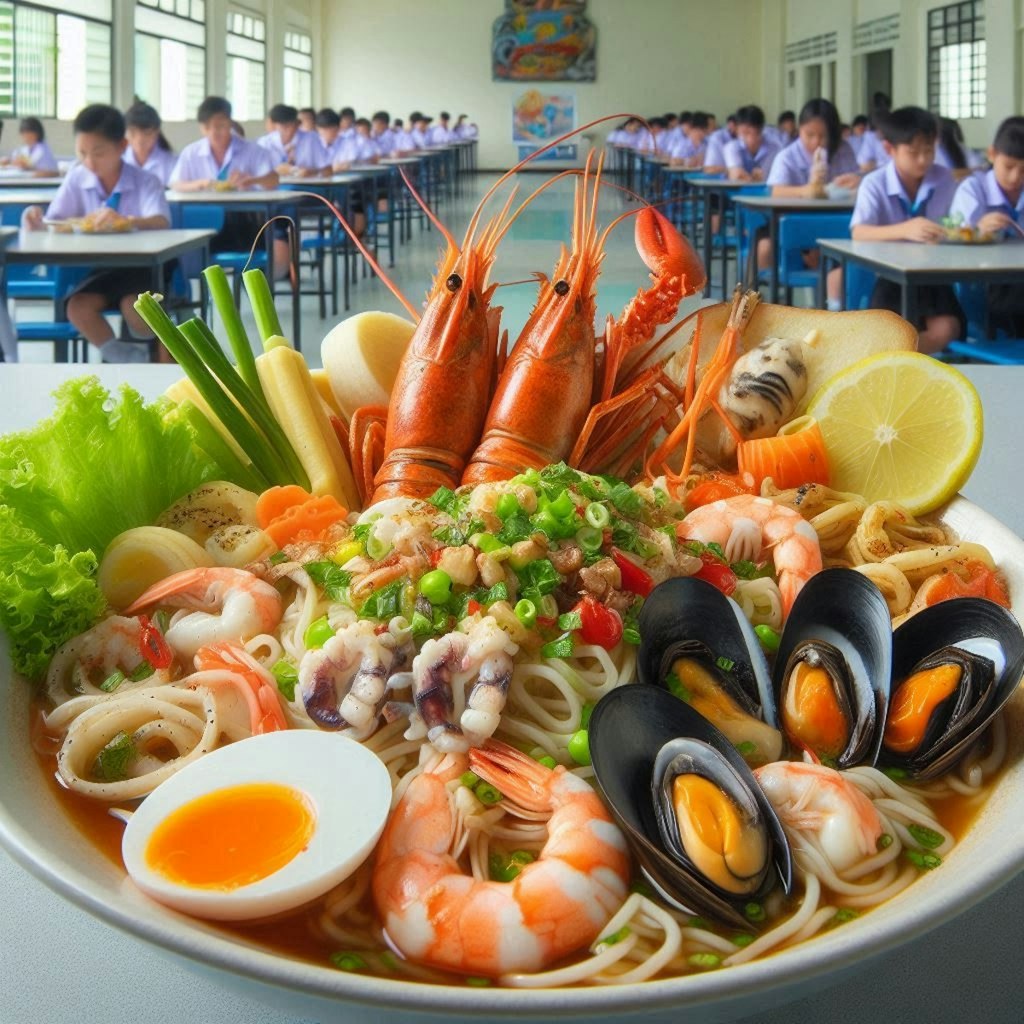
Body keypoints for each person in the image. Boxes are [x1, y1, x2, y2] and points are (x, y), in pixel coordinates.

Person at [21, 104, 171, 363]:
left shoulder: (145, 180)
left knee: (133, 307)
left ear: (122, 147)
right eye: (82, 153)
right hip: (105, 267)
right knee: (77, 307)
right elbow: (56, 221)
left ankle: (156, 351)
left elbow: (160, 220)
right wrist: (36, 220)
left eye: (98, 153)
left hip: (144, 267)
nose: (90, 161)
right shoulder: (77, 177)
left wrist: (126, 220)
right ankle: (126, 358)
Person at [851, 106, 962, 353]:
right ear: (889, 149)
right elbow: (859, 232)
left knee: (947, 328)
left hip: (933, 274)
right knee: (886, 330)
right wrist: (904, 229)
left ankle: (902, 358)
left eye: (929, 151)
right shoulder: (874, 183)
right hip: (889, 277)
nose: (923, 160)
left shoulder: (944, 179)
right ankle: (895, 359)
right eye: (913, 153)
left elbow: (956, 223)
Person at [169, 95, 289, 277]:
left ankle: (267, 274)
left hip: (246, 221)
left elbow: (274, 180)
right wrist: (201, 183)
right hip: (208, 224)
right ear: (202, 128)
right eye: (208, 127)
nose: (214, 132)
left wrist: (252, 180)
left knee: (272, 232)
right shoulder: (191, 153)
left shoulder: (252, 150)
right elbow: (175, 184)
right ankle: (186, 286)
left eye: (220, 126)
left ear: (230, 123)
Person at [950, 115, 1024, 336]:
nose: (1015, 177)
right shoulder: (973, 189)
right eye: (1009, 166)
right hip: (987, 285)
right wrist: (978, 228)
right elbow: (952, 238)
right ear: (992, 154)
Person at [257, 103, 327, 176]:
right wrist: (291, 170)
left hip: (307, 185)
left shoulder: (312, 139)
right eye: (284, 126)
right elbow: (258, 171)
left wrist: (311, 172)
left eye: (291, 125)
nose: (289, 130)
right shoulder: (264, 143)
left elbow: (327, 170)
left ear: (297, 124)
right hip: (275, 186)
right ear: (274, 125)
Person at [123, 102, 177, 186]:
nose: (139, 140)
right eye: (133, 133)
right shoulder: (118, 160)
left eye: (147, 133)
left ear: (157, 132)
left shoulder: (171, 162)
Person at [724, 104, 780, 181]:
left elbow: (771, 177)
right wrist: (753, 178)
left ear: (762, 129)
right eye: (745, 133)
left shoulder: (774, 148)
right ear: (738, 130)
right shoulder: (731, 148)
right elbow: (737, 176)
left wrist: (748, 176)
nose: (750, 139)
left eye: (756, 133)